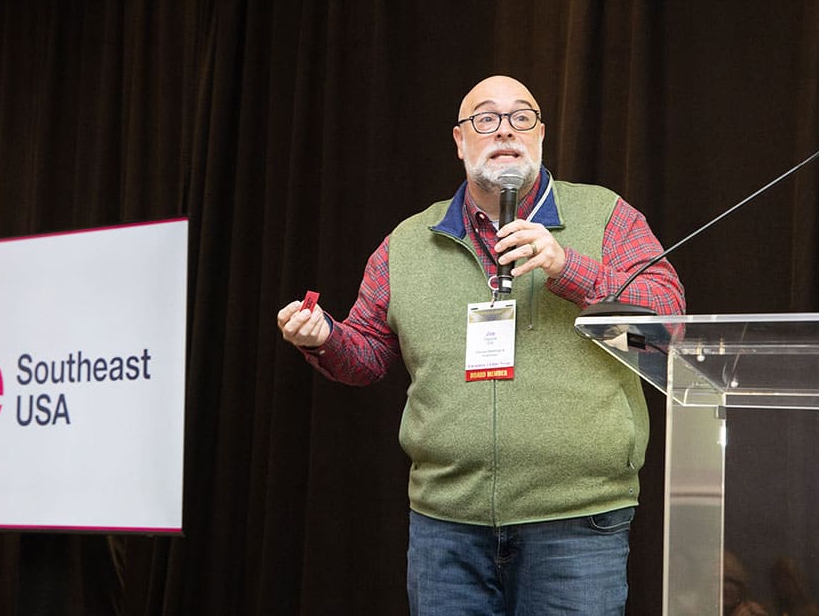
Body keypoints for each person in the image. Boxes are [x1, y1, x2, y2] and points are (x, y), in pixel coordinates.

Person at [277, 75, 685, 614]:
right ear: (460, 140)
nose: (505, 131)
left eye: (522, 118)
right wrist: (325, 338)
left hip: (578, 522)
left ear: (541, 134)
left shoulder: (606, 215)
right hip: (445, 528)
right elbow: (368, 355)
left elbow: (667, 325)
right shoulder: (407, 242)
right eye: (486, 119)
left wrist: (567, 267)